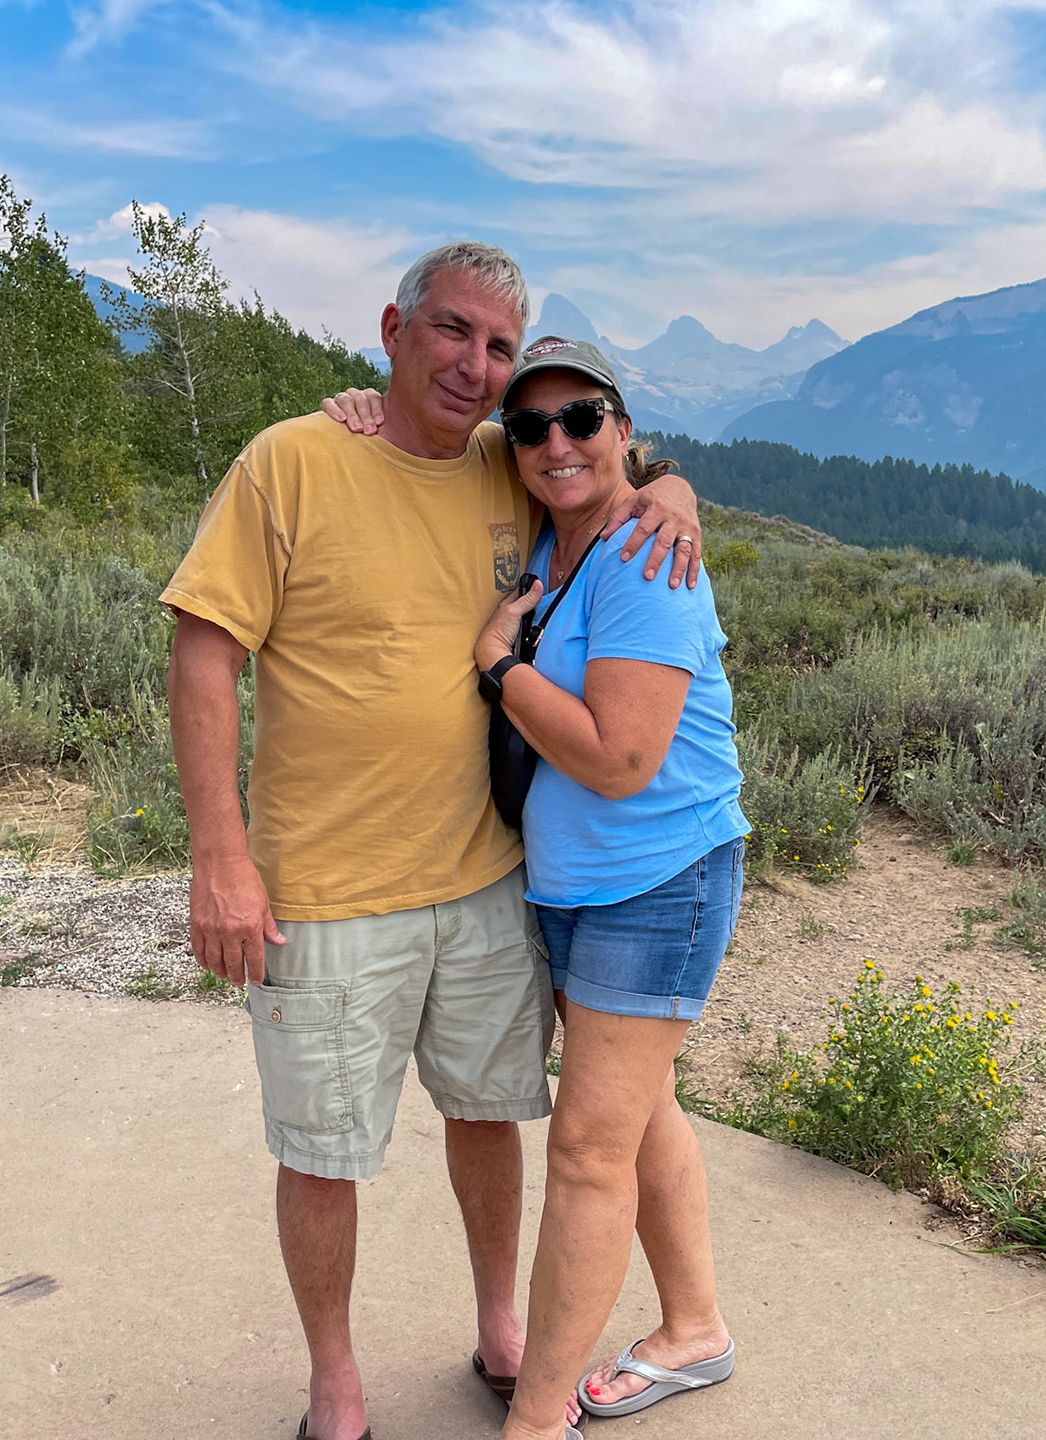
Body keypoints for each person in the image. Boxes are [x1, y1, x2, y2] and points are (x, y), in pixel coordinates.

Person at [162, 241, 704, 1440]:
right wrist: (221, 855)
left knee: (487, 1113)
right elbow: (205, 650)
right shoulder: (294, 461)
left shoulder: (504, 467)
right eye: (452, 331)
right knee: (322, 1151)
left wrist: (675, 489)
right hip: (326, 887)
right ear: (394, 328)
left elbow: (605, 473)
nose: (476, 365)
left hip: (483, 880)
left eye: (500, 347)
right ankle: (336, 1384)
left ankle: (501, 1331)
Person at [334, 339, 746, 1440]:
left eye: (583, 419)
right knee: (641, 1104)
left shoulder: (651, 555)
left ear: (625, 426)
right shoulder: (556, 552)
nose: (556, 443)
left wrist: (499, 667)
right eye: (530, 427)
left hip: (654, 880)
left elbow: (619, 758)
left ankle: (537, 1417)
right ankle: (694, 1328)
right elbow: (428, 425)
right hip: (577, 884)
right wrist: (358, 404)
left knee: (588, 1149)